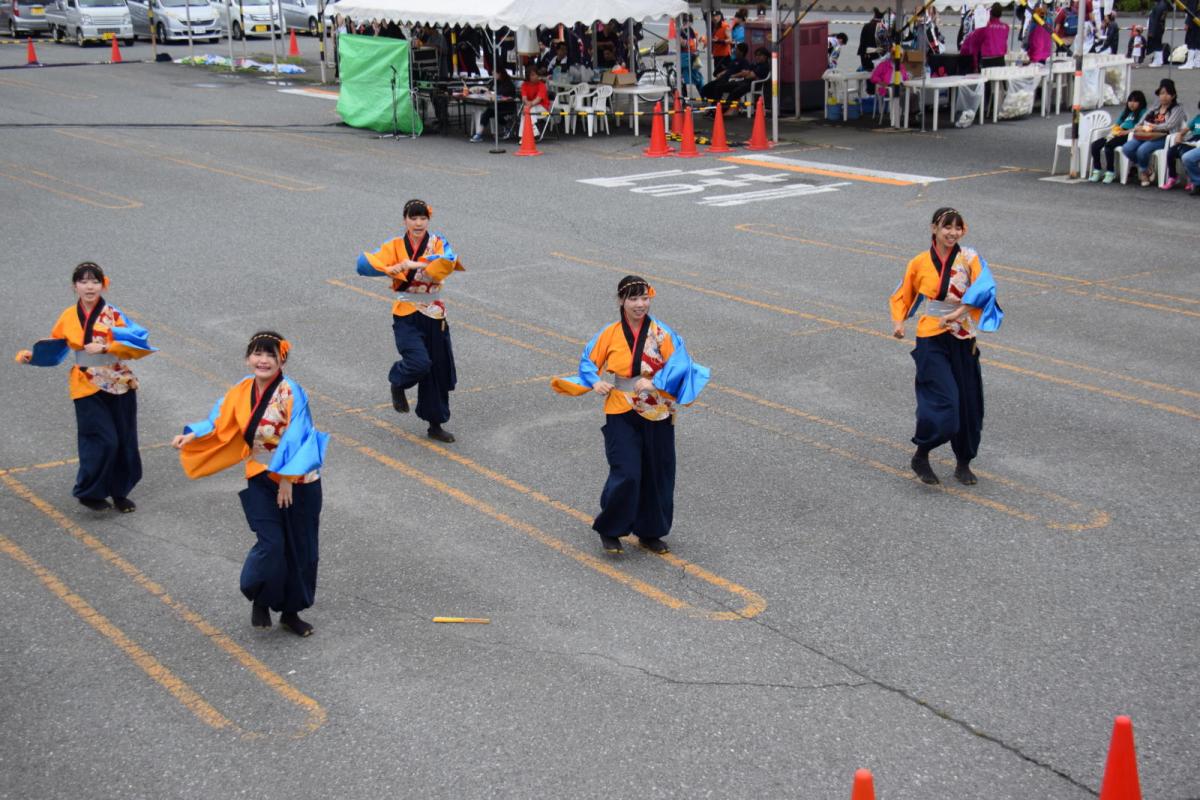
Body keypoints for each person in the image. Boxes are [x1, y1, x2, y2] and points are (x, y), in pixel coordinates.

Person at [173, 332, 328, 637]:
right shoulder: (242, 390)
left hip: (298, 481)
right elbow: (219, 419)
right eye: (258, 354)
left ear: (281, 359)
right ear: (248, 358)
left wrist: (286, 479)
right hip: (259, 474)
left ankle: (291, 612)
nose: (263, 360)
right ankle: (259, 594)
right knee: (271, 543)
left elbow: (299, 437)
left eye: (270, 355)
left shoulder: (291, 392)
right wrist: (193, 434)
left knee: (301, 548)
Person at [551, 276, 709, 555]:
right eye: (634, 299)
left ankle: (651, 531)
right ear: (621, 301)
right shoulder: (610, 333)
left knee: (658, 471)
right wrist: (594, 380)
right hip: (620, 408)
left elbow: (681, 362)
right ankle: (610, 529)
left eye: (644, 298)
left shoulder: (662, 333)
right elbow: (589, 360)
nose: (640, 304)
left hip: (656, 409)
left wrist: (657, 382)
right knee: (626, 471)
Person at [14, 262, 155, 512]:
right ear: (74, 286)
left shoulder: (114, 314)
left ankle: (119, 493)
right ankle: (89, 491)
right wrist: (32, 357)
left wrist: (107, 347)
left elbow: (139, 343)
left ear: (103, 284)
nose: (89, 287)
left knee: (124, 440)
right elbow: (57, 346)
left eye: (94, 281)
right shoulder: (68, 316)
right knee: (102, 439)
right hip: (85, 384)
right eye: (83, 281)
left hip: (118, 381)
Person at [889, 208, 1003, 487]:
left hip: (963, 336)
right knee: (943, 403)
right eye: (946, 227)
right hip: (931, 336)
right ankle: (922, 453)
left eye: (958, 228)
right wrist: (899, 322)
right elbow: (906, 292)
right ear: (934, 229)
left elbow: (985, 288)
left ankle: (963, 461)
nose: (952, 233)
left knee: (968, 403)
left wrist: (959, 312)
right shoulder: (919, 262)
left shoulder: (970, 258)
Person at [356, 199, 464, 443]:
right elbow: (364, 265)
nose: (418, 223)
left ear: (428, 220)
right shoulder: (394, 245)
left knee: (436, 369)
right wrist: (388, 268)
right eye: (413, 218)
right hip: (406, 312)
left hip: (435, 313)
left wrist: (409, 264)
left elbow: (445, 264)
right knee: (419, 362)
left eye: (422, 218)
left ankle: (435, 423)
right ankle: (398, 381)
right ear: (404, 219)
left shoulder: (438, 242)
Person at [1122, 79, 1187, 186]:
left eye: (1167, 94)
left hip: (1164, 137)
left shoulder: (1177, 108)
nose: (1163, 96)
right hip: (1146, 135)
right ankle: (1147, 169)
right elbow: (1141, 122)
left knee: (1142, 150)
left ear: (1173, 95)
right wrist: (1138, 127)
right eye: (1161, 93)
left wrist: (1152, 127)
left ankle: (1143, 172)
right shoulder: (1155, 107)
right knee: (1127, 148)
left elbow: (1169, 125)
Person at [1090, 90, 1148, 183]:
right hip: (1118, 133)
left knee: (1109, 146)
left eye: (1135, 101)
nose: (1132, 104)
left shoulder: (1143, 112)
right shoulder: (1126, 112)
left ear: (1141, 103)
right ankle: (1097, 170)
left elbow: (1143, 127)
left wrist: (1127, 132)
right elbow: (1117, 124)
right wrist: (1113, 132)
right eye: (1130, 101)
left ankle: (1110, 171)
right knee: (1095, 145)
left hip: (1129, 135)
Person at [701, 44, 768, 110]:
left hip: (748, 83)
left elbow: (748, 75)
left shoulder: (762, 66)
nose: (757, 57)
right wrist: (721, 74)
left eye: (760, 55)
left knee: (729, 91)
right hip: (740, 81)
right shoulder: (753, 64)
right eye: (756, 55)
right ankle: (715, 106)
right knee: (712, 88)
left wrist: (742, 74)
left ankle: (721, 110)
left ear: (765, 56)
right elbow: (744, 73)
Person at [470, 63, 516, 143]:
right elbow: (490, 90)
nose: (493, 75)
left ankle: (479, 134)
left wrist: (492, 93)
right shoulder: (494, 82)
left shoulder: (508, 84)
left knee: (491, 112)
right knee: (487, 113)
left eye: (494, 73)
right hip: (496, 105)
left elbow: (502, 93)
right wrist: (483, 91)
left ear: (500, 73)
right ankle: (479, 133)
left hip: (506, 105)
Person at [1160, 100, 1200, 189]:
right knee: (1171, 151)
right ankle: (1173, 176)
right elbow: (1185, 130)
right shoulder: (1197, 118)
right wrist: (1179, 135)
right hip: (1193, 140)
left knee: (1184, 153)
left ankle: (1192, 179)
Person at [960, 3, 1010, 70]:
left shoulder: (984, 29)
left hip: (987, 60)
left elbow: (973, 44)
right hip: (1000, 59)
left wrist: (975, 63)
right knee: (1000, 79)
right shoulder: (1006, 27)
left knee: (987, 79)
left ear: (990, 13)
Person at [1146, 0, 1169, 66]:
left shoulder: (1159, 6)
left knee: (1156, 44)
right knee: (1158, 44)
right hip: (1160, 27)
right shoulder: (1163, 4)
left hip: (1156, 27)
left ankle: (1157, 61)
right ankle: (1159, 60)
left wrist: (1151, 31)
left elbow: (1155, 19)